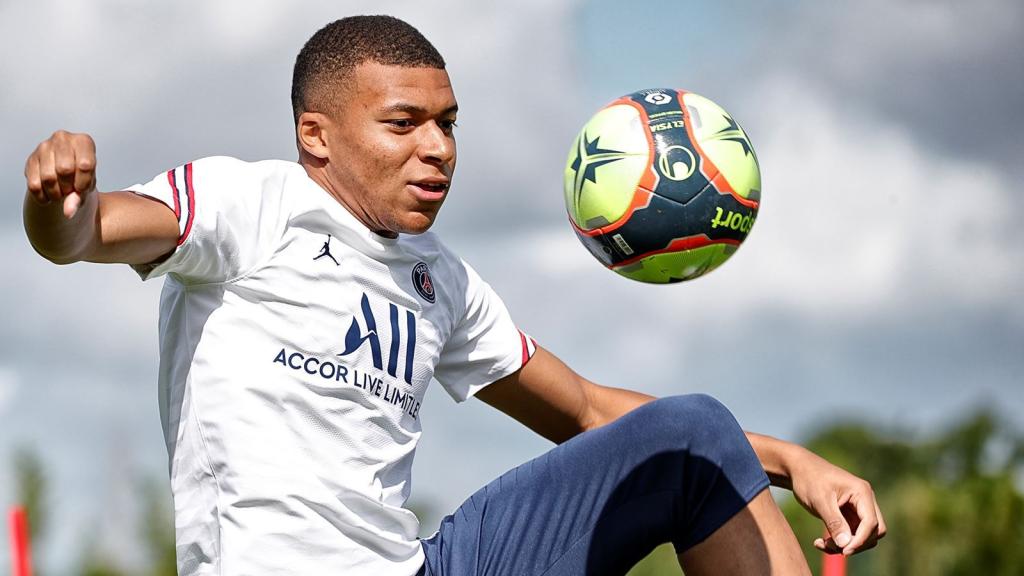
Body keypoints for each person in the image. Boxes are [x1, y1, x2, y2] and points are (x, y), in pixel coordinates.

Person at [22, 15, 884, 576]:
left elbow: (583, 409)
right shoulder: (250, 204)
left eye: (449, 123)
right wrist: (54, 202)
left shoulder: (442, 278)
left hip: (425, 566)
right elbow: (85, 234)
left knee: (695, 434)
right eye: (404, 124)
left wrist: (790, 462)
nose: (437, 147)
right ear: (315, 136)